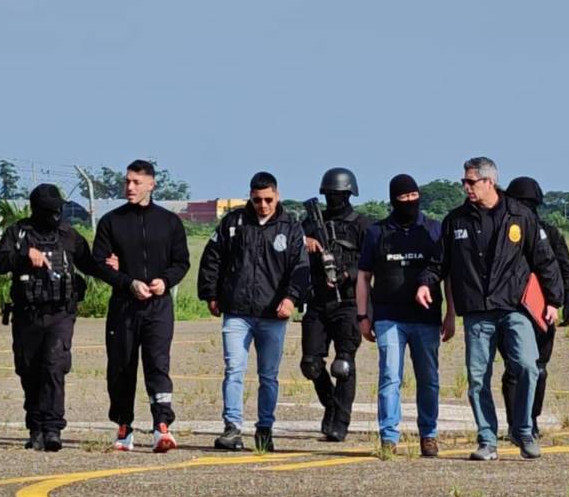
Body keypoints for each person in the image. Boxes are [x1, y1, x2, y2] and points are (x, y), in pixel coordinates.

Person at [417, 157, 563, 461]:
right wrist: (425, 283)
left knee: (527, 366)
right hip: (477, 312)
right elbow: (438, 262)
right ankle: (487, 440)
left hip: (515, 309)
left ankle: (523, 430)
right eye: (464, 182)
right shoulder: (455, 221)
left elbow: (544, 260)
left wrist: (553, 301)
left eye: (471, 181)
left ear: (489, 182)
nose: (466, 187)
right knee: (477, 379)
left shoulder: (520, 216)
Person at [197, 171, 309, 452]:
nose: (263, 205)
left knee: (268, 375)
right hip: (237, 312)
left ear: (277, 195)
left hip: (273, 315)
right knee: (234, 370)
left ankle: (265, 429)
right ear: (250, 196)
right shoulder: (233, 222)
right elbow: (212, 257)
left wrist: (291, 299)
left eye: (268, 199)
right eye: (258, 200)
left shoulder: (291, 227)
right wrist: (210, 294)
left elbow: (300, 268)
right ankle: (232, 428)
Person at [0, 184, 101, 452]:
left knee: (54, 366)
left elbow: (90, 264)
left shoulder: (69, 235)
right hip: (27, 314)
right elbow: (0, 263)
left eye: (57, 209)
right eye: (49, 210)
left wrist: (115, 266)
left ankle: (53, 428)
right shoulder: (18, 233)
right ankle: (36, 428)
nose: (55, 214)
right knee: (29, 370)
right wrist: (24, 255)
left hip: (60, 313)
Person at [92, 159, 190, 452]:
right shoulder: (111, 221)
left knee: (158, 364)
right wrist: (128, 283)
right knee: (121, 366)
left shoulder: (170, 222)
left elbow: (182, 262)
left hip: (158, 307)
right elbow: (99, 263)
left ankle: (162, 426)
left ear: (151, 184)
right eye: (127, 181)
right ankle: (124, 427)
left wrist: (165, 281)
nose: (130, 187)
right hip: (124, 307)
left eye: (136, 182)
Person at [356, 175, 444, 457]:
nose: (409, 202)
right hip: (388, 316)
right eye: (403, 198)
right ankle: (388, 437)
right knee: (390, 376)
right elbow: (363, 277)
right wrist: (362, 316)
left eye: (414, 196)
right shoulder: (376, 232)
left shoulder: (433, 229)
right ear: (393, 200)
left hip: (426, 318)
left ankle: (429, 434)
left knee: (428, 379)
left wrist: (451, 314)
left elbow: (446, 274)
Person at [499, 177, 569, 439]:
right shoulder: (504, 232)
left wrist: (566, 302)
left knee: (538, 368)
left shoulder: (550, 234)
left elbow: (564, 269)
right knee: (515, 368)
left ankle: (530, 419)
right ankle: (516, 423)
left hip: (543, 312)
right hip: (511, 309)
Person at [300, 168, 370, 442]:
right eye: (329, 194)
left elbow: (370, 262)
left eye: (338, 195)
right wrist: (304, 241)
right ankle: (331, 405)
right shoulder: (310, 224)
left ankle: (339, 422)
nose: (334, 199)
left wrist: (346, 274)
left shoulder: (361, 225)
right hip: (318, 302)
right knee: (311, 365)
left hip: (349, 302)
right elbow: (289, 245)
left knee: (343, 365)